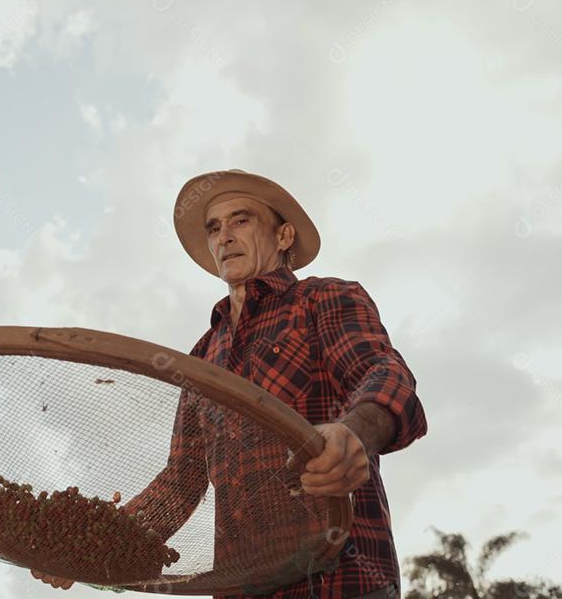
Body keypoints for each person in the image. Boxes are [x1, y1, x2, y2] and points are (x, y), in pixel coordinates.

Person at [34, 169, 427, 598]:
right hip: (244, 584)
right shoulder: (202, 356)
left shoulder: (322, 298)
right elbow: (181, 481)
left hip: (341, 578)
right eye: (214, 228)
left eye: (241, 220)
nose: (225, 237)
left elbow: (385, 373)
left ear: (283, 236)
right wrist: (89, 546)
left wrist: (356, 433)